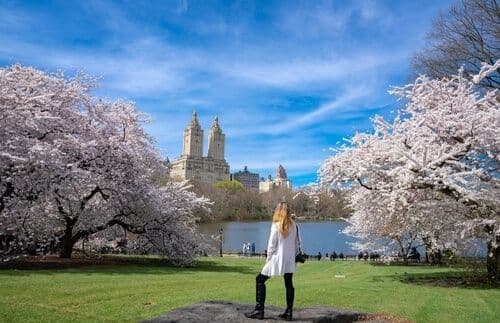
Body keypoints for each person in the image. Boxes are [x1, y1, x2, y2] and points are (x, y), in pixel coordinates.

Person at [245, 202, 301, 321]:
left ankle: (259, 310)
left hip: (277, 258)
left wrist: (268, 260)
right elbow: (297, 244)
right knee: (289, 283)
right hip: (289, 259)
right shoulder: (295, 225)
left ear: (278, 211)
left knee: (260, 279)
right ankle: (289, 312)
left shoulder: (276, 225)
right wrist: (295, 256)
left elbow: (271, 246)